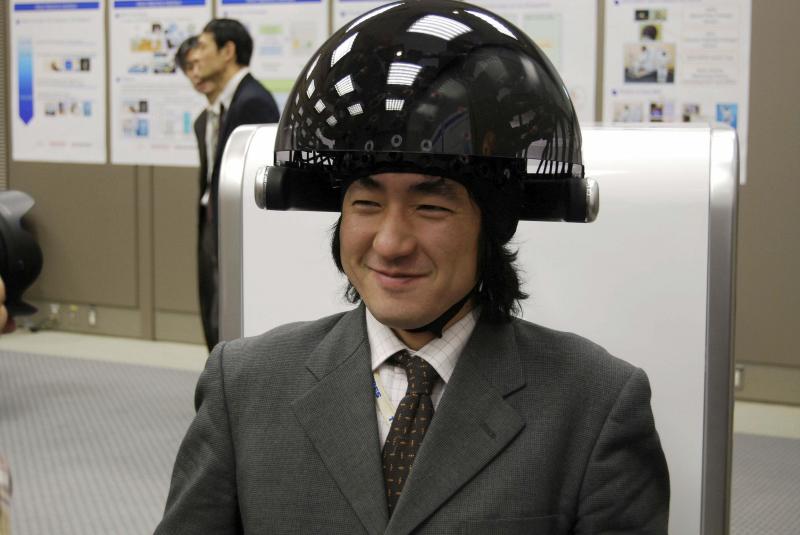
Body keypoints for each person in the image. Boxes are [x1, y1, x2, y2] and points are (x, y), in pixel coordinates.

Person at [157, 2, 669, 533]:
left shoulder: (594, 403)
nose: (391, 243)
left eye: (431, 207)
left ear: (491, 226)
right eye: (366, 204)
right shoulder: (244, 384)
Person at [182, 20, 280, 351]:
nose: (196, 56)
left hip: (239, 228)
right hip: (215, 222)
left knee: (230, 317)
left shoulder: (252, 101)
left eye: (203, 47)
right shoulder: (223, 106)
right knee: (214, 309)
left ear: (227, 51)